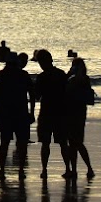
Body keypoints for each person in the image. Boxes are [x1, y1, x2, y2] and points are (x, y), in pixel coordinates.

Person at [0, 52, 32, 177]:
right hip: (21, 113)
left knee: (5, 143)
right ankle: (20, 171)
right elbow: (32, 94)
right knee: (22, 143)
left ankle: (3, 171)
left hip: (7, 113)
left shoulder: (3, 74)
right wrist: (32, 111)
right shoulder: (23, 75)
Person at [32, 49, 70, 179]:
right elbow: (67, 93)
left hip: (47, 112)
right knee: (63, 143)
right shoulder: (61, 74)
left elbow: (37, 96)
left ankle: (44, 170)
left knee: (45, 143)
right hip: (61, 112)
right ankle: (68, 168)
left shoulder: (42, 77)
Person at [64, 56, 96, 179]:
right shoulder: (74, 78)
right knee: (72, 143)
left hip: (77, 113)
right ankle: (74, 170)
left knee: (77, 142)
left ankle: (89, 168)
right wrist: (69, 74)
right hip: (72, 112)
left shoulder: (83, 79)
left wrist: (73, 74)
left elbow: (76, 86)